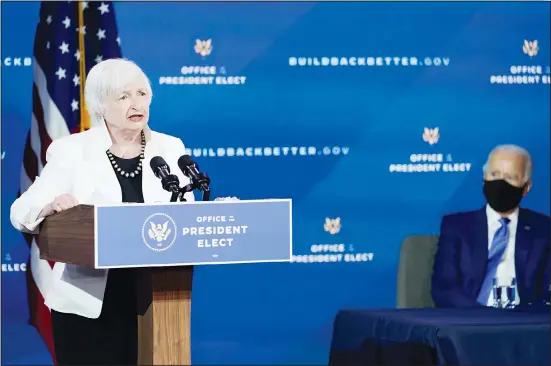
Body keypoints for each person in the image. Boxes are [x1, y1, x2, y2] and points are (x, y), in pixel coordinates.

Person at [10, 58, 195, 365]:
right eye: (123, 97)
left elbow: (185, 214)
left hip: (158, 300)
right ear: (99, 106)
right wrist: (51, 207)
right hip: (89, 306)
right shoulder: (72, 150)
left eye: (141, 94)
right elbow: (21, 211)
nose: (136, 104)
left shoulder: (171, 148)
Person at [431, 144, 550, 308]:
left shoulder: (543, 229)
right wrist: (483, 316)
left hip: (523, 324)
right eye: (494, 174)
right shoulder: (456, 227)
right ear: (484, 178)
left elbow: (547, 291)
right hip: (470, 323)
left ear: (526, 187)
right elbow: (444, 288)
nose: (501, 183)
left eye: (511, 178)